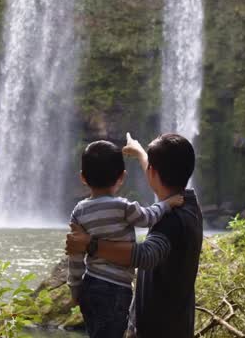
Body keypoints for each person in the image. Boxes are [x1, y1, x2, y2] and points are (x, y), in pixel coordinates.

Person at [67, 133, 203, 338]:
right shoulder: (184, 201)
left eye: (149, 166)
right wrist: (140, 152)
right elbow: (159, 184)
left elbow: (145, 255)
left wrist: (89, 245)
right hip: (168, 323)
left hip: (161, 329)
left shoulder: (173, 220)